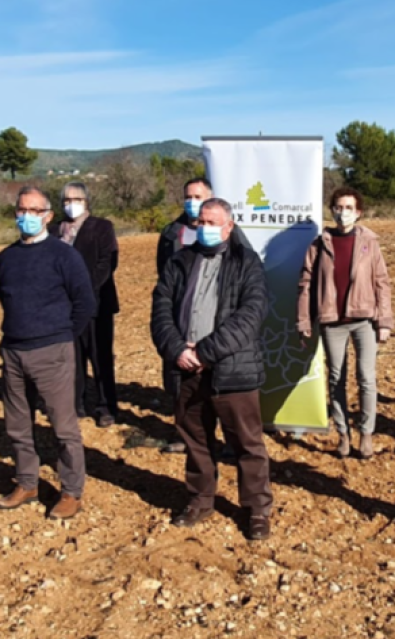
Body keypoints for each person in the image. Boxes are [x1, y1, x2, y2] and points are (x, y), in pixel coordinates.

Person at [150, 198, 273, 540]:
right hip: (186, 369)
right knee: (196, 441)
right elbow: (161, 308)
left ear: (229, 226)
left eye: (212, 221)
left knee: (247, 444)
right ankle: (201, 499)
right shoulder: (178, 262)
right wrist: (176, 349)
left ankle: (257, 509)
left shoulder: (246, 263)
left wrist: (205, 351)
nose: (204, 227)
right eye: (201, 221)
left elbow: (250, 316)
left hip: (233, 370)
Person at [0, 187, 95, 520]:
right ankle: (27, 481)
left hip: (52, 350)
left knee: (63, 427)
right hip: (13, 349)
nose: (27, 216)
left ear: (48, 216)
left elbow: (84, 302)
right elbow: (5, 298)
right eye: (22, 209)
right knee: (17, 424)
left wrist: (62, 336)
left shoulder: (63, 255)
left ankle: (70, 491)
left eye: (35, 210)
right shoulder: (6, 257)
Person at [156, 177, 252, 454]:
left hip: (217, 326)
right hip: (182, 327)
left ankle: (227, 439)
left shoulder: (231, 234)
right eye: (188, 196)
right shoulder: (171, 232)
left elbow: (244, 266)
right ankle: (182, 433)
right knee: (180, 387)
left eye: (198, 196)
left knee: (221, 390)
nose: (192, 202)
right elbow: (163, 277)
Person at [297, 188, 393, 458]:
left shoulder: (369, 243)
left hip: (364, 320)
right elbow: (305, 284)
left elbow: (382, 282)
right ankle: (343, 434)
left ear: (358, 212)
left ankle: (366, 434)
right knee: (336, 378)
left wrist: (384, 321)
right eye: (338, 207)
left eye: (349, 208)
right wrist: (304, 320)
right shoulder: (318, 245)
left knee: (366, 378)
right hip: (332, 322)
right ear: (332, 210)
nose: (343, 213)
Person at [49, 182, 120, 429]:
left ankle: (105, 406)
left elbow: (107, 263)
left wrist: (84, 292)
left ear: (86, 201)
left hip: (97, 304)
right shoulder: (55, 229)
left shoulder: (102, 227)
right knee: (73, 357)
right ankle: (76, 404)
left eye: (76, 199)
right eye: (66, 199)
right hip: (65, 306)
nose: (71, 204)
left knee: (101, 356)